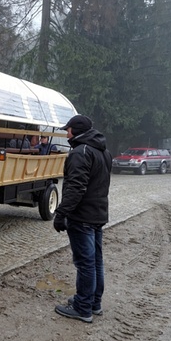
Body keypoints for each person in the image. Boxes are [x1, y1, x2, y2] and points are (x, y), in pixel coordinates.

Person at [53, 115, 112, 323]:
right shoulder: (104, 152)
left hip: (82, 217)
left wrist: (61, 214)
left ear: (75, 131)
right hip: (98, 214)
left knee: (85, 263)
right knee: (96, 261)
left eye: (67, 130)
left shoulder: (80, 152)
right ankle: (94, 303)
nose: (66, 133)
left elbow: (75, 188)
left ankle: (82, 307)